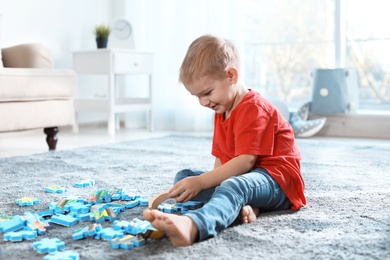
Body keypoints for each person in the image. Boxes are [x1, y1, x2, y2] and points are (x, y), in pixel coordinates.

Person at [143, 34, 306, 246]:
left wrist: (203, 182)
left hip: (278, 181)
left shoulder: (253, 108)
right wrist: (199, 182)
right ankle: (239, 208)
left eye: (207, 93)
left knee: (230, 185)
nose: (203, 102)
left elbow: (245, 161)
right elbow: (221, 160)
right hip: (248, 180)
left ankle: (194, 226)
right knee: (184, 178)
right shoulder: (221, 111)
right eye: (197, 97)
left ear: (231, 76)